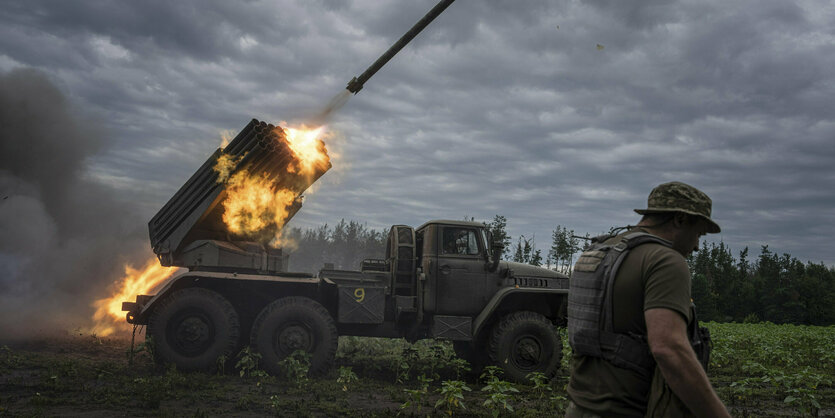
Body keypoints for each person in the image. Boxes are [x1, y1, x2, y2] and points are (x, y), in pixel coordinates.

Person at [565, 181, 730, 418]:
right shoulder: (665, 261)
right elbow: (668, 349)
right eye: (698, 234)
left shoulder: (599, 252)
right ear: (680, 220)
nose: (696, 246)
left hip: (578, 407)